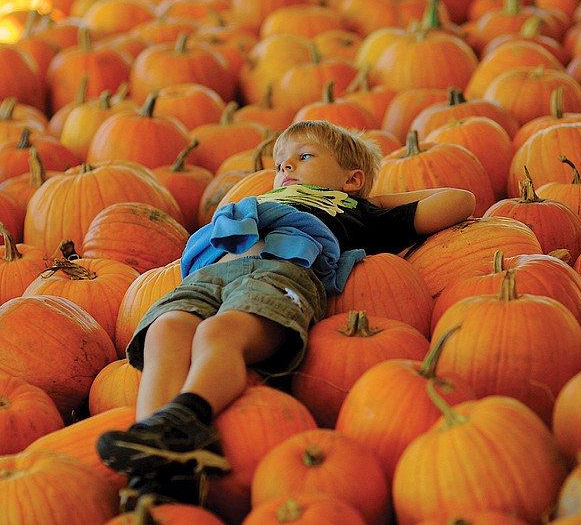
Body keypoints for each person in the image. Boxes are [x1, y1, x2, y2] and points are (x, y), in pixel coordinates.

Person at [96, 120, 477, 506]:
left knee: (220, 333)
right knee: (166, 329)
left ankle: (188, 419)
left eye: (304, 157)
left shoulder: (354, 210)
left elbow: (459, 199)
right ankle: (152, 460)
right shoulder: (264, 200)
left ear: (351, 179)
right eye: (281, 164)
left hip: (280, 272)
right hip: (211, 274)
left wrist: (374, 202)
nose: (286, 168)